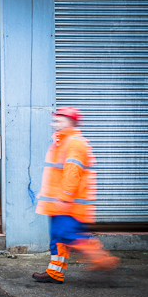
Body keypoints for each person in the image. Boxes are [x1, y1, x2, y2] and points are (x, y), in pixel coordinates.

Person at [33, 106, 119, 284]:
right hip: (59, 203)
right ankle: (55, 272)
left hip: (69, 204)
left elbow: (72, 173)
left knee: (68, 235)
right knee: (58, 239)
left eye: (59, 119)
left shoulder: (74, 143)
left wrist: (64, 197)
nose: (54, 121)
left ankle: (103, 261)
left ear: (70, 121)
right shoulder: (61, 142)